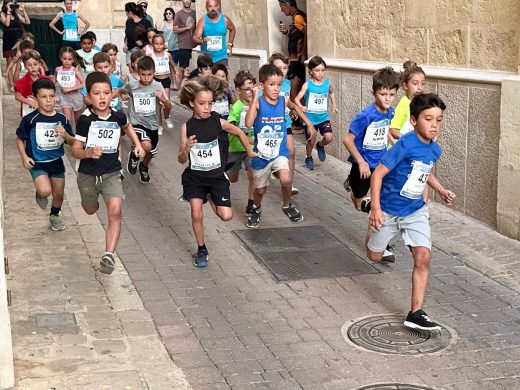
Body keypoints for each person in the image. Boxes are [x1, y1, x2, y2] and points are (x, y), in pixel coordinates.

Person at [366, 93, 455, 331]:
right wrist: (375, 207)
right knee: (373, 256)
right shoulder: (404, 144)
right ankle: (373, 228)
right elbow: (378, 174)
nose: (434, 124)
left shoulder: (434, 149)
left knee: (424, 256)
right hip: (388, 209)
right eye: (428, 119)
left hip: (415, 210)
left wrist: (441, 190)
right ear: (414, 121)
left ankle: (415, 313)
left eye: (439, 119)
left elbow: (426, 171)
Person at [178, 75, 257, 267]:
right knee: (196, 213)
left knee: (226, 216)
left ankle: (211, 196)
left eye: (210, 103)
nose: (207, 108)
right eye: (202, 104)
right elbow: (181, 159)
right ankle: (201, 248)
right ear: (192, 103)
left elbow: (238, 131)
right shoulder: (186, 127)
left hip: (216, 178)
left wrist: (249, 151)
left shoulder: (218, 122)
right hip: (195, 177)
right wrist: (186, 147)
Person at [72, 72, 145, 274]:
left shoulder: (117, 115)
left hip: (111, 172)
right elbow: (74, 150)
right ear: (89, 96)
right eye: (97, 93)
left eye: (106, 93)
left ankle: (109, 254)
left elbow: (127, 126)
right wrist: (88, 152)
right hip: (87, 173)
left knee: (115, 210)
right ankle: (89, 201)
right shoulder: (85, 120)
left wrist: (137, 144)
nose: (102, 97)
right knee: (90, 209)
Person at [245, 64, 313, 228]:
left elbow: (294, 106)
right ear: (261, 86)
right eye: (271, 84)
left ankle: (287, 205)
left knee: (286, 178)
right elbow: (248, 124)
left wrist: (308, 123)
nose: (276, 89)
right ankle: (256, 207)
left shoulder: (283, 100)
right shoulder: (259, 103)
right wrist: (254, 99)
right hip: (261, 155)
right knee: (260, 191)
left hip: (279, 152)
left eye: (279, 84)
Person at [343, 67, 399, 262]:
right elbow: (347, 140)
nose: (387, 98)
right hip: (362, 166)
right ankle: (352, 185)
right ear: (374, 92)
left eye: (392, 94)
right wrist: (361, 162)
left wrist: (395, 144)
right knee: (359, 203)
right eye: (383, 94)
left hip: (380, 166)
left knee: (378, 206)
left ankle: (378, 245)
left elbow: (385, 132)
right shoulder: (366, 115)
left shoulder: (389, 112)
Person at [16, 78, 75, 231]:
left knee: (59, 195)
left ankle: (54, 216)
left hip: (56, 161)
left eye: (51, 96)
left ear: (56, 97)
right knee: (45, 190)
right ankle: (40, 192)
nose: (48, 101)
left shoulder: (62, 118)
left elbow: (72, 141)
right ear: (35, 98)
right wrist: (24, 157)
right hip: (37, 162)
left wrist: (66, 135)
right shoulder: (30, 119)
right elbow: (19, 139)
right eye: (43, 97)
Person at [124, 56, 172, 184]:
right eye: (143, 75)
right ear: (138, 73)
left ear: (154, 73)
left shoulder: (158, 86)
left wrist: (163, 99)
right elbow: (120, 91)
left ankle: (143, 166)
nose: (146, 78)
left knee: (150, 151)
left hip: (153, 125)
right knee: (146, 145)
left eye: (149, 75)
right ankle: (134, 156)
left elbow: (168, 106)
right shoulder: (132, 86)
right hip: (137, 122)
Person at [294, 56, 337, 170]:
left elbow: (331, 92)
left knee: (329, 137)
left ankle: (320, 145)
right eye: (317, 70)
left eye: (322, 70)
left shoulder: (327, 84)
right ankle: (309, 157)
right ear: (311, 72)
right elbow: (297, 99)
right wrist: (301, 106)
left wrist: (334, 105)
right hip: (310, 119)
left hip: (323, 117)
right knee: (311, 140)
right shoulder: (307, 85)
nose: (320, 73)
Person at [226, 70, 256, 216]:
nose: (250, 92)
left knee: (253, 174)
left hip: (251, 148)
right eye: (246, 89)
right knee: (233, 178)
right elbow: (231, 127)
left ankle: (251, 203)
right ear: (238, 90)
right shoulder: (236, 107)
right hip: (236, 147)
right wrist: (244, 137)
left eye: (252, 88)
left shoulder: (257, 105)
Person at [278, 0, 306, 132]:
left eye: (282, 8)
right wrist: (286, 32)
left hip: (297, 60)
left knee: (293, 91)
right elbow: (297, 35)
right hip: (294, 59)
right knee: (295, 90)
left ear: (287, 6)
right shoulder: (296, 17)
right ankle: (298, 120)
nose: (282, 11)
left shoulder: (299, 17)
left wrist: (303, 53)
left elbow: (306, 33)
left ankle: (297, 121)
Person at [390, 61, 426, 143]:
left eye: (423, 83)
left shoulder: (421, 104)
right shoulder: (404, 104)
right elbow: (392, 130)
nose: (420, 88)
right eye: (415, 83)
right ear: (405, 86)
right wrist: (408, 140)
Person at [193, 0, 235, 66]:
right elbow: (195, 38)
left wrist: (230, 44)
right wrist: (202, 41)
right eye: (210, 6)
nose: (213, 9)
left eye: (215, 6)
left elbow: (232, 30)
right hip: (206, 59)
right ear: (206, 8)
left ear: (218, 7)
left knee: (221, 76)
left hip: (222, 58)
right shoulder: (202, 21)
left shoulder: (225, 20)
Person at [149, 33, 176, 134]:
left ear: (163, 44)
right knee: (158, 105)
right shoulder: (151, 56)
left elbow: (173, 65)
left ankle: (167, 116)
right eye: (156, 44)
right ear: (153, 44)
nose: (159, 46)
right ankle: (159, 125)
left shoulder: (167, 55)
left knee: (167, 102)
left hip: (165, 81)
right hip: (156, 81)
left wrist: (176, 73)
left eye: (160, 44)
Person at [54, 46, 85, 130]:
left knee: (78, 120)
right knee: (68, 120)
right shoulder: (58, 70)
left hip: (76, 97)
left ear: (73, 59)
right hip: (64, 98)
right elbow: (54, 82)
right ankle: (70, 137)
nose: (67, 61)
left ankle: (79, 137)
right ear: (60, 58)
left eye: (69, 59)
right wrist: (53, 94)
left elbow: (83, 83)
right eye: (65, 59)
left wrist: (70, 89)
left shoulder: (74, 70)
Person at [14, 51, 50, 117]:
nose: (33, 67)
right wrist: (30, 102)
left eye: (35, 64)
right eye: (29, 65)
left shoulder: (44, 79)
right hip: (28, 112)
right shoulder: (23, 81)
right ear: (25, 66)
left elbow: (50, 91)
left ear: (39, 64)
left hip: (43, 110)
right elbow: (17, 96)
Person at [1, 0, 30, 71]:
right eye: (10, 5)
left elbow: (27, 22)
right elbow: (7, 24)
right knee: (9, 61)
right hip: (8, 39)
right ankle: (11, 82)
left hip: (18, 40)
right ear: (6, 5)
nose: (12, 6)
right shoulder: (2, 14)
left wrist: (24, 10)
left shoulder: (16, 14)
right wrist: (8, 11)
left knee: (20, 59)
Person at [172, 0, 196, 89]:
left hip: (196, 45)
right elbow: (174, 30)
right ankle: (181, 89)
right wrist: (187, 28)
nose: (187, 1)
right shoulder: (178, 14)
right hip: (184, 45)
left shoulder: (195, 13)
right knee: (182, 68)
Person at [158, 7, 178, 88]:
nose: (168, 15)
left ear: (173, 14)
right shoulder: (163, 24)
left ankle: (176, 83)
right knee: (168, 66)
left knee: (174, 65)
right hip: (166, 48)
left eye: (170, 13)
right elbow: (160, 35)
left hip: (176, 47)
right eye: (166, 13)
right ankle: (171, 83)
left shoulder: (176, 23)